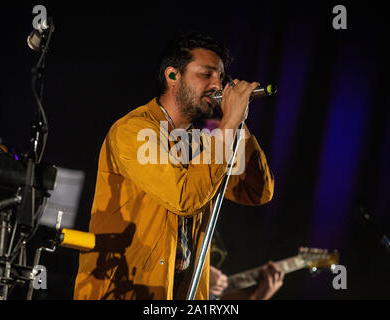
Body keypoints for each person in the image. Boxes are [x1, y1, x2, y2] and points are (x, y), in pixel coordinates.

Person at [73, 32, 274, 300]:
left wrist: (239, 123)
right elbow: (183, 197)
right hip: (127, 290)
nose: (218, 86)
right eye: (206, 75)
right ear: (172, 76)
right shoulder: (133, 131)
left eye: (221, 79)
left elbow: (257, 191)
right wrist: (227, 125)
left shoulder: (204, 142)